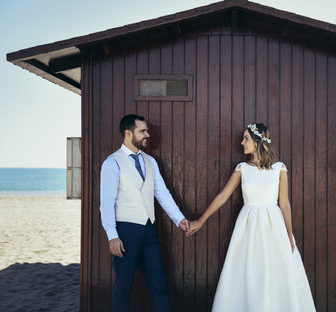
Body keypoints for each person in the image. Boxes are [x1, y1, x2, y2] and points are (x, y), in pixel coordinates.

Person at [186, 123, 316, 312]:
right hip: (248, 227)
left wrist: (289, 235)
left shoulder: (279, 168)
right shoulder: (242, 168)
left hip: (274, 228)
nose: (242, 142)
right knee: (246, 274)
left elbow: (285, 203)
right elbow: (223, 196)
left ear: (258, 141)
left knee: (275, 274)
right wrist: (201, 220)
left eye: (246, 138)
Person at [100, 114, 190, 312]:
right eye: (143, 131)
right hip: (125, 231)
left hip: (149, 230)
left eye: (146, 131)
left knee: (159, 282)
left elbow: (162, 193)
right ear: (128, 133)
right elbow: (106, 203)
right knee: (123, 286)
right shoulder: (112, 163)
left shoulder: (150, 161)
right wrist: (112, 236)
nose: (147, 135)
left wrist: (179, 219)